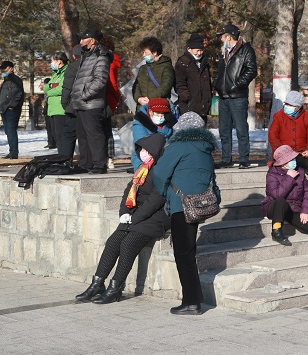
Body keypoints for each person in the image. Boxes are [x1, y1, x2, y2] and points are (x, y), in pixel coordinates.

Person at [75, 133, 169, 304]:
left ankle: (116, 287)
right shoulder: (142, 168)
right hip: (137, 214)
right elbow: (129, 191)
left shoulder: (162, 170)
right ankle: (97, 284)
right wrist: (124, 212)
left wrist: (135, 218)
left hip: (157, 216)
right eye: (141, 150)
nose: (143, 153)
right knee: (113, 242)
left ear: (155, 151)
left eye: (146, 150)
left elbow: (157, 199)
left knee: (128, 244)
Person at [151, 112, 219, 316]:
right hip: (199, 204)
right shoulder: (206, 149)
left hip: (181, 205)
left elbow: (160, 172)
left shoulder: (178, 146)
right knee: (188, 252)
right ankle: (193, 299)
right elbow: (211, 179)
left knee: (183, 254)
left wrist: (164, 193)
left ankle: (191, 302)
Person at [214, 23, 257, 169]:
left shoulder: (246, 50)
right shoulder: (224, 52)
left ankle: (244, 158)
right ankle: (226, 158)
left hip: (238, 96)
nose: (221, 39)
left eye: (222, 36)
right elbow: (221, 73)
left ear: (229, 36)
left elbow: (251, 70)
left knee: (241, 129)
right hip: (224, 96)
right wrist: (218, 85)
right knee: (224, 130)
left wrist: (237, 84)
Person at [71, 28, 111, 174]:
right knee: (82, 136)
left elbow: (100, 80)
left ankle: (99, 164)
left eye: (83, 39)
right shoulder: (86, 56)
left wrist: (84, 94)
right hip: (81, 103)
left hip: (91, 103)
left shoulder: (101, 56)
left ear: (92, 40)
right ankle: (85, 163)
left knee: (94, 135)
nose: (80, 42)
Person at [175, 33, 212, 124]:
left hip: (203, 106)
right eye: (197, 50)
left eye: (201, 50)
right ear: (189, 49)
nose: (199, 53)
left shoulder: (204, 63)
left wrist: (207, 99)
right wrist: (187, 98)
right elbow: (179, 84)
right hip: (189, 106)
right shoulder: (183, 63)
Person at [131, 97, 176, 171]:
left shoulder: (169, 124)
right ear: (150, 111)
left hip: (167, 159)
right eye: (158, 113)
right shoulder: (140, 123)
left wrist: (174, 123)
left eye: (163, 113)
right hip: (145, 160)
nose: (160, 116)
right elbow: (144, 144)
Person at [133, 37, 175, 110]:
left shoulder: (166, 67)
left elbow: (165, 86)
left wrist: (149, 98)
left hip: (159, 108)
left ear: (155, 52)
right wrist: (139, 98)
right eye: (143, 52)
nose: (143, 55)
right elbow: (136, 86)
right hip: (142, 108)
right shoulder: (143, 68)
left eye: (145, 52)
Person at [43, 52, 69, 156]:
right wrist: (51, 86)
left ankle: (65, 156)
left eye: (52, 61)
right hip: (52, 109)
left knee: (61, 135)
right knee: (55, 135)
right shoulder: (55, 74)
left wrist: (50, 91)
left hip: (60, 108)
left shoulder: (66, 72)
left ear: (59, 61)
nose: (51, 63)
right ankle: (61, 155)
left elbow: (62, 88)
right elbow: (45, 87)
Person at [102, 37, 121, 170]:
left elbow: (112, 82)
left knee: (104, 129)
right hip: (109, 98)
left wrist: (116, 95)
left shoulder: (108, 61)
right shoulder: (113, 60)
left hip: (105, 97)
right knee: (106, 128)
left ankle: (107, 157)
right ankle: (109, 158)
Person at [60, 46, 81, 162]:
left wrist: (65, 104)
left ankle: (65, 161)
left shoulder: (72, 67)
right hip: (91, 106)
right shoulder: (95, 64)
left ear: (74, 56)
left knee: (68, 135)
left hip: (74, 106)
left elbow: (67, 88)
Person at [0, 60, 24, 159]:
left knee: (11, 131)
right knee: (8, 131)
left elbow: (18, 94)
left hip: (11, 110)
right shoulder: (5, 81)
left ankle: (14, 153)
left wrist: (12, 106)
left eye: (5, 68)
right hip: (4, 109)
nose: (3, 70)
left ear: (11, 69)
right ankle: (12, 151)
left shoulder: (15, 80)